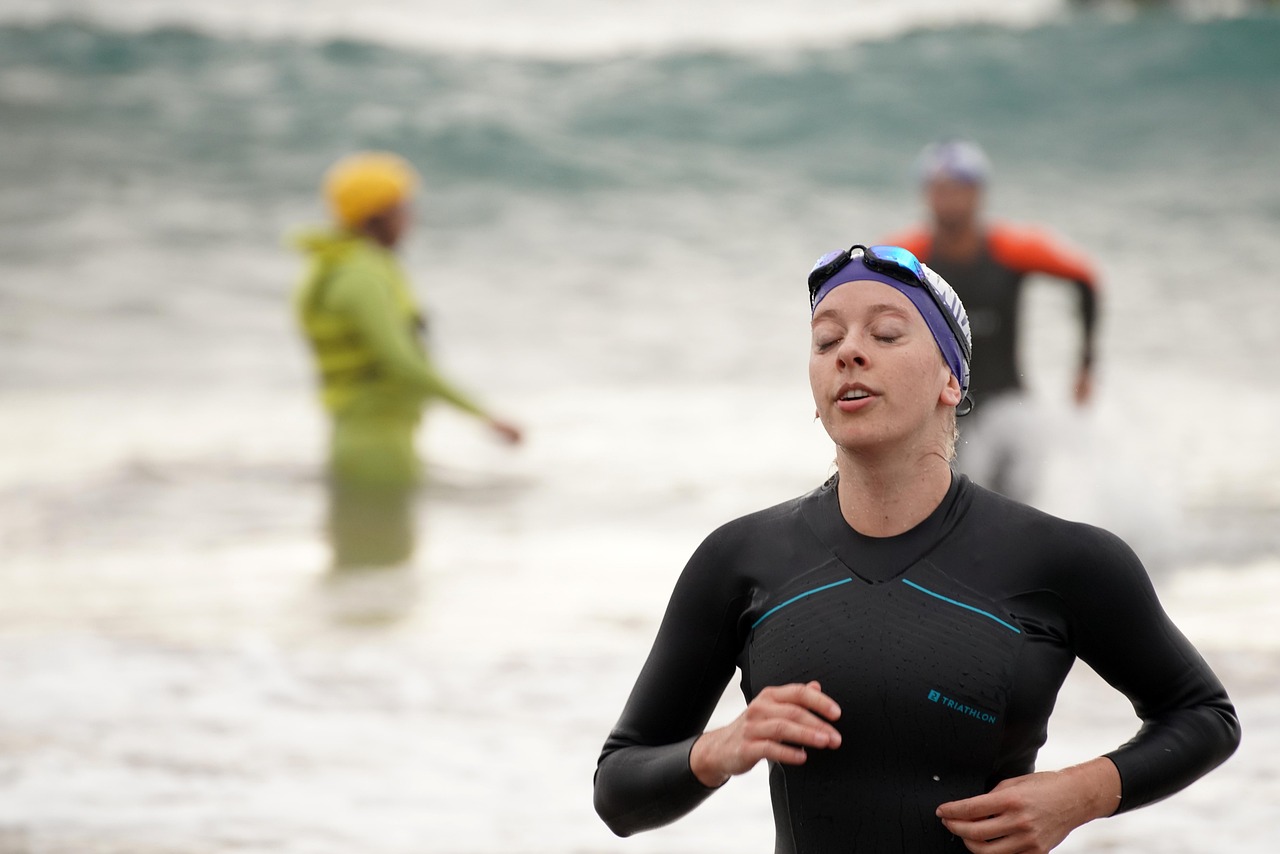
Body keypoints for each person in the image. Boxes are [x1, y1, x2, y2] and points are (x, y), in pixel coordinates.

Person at [593, 244, 1238, 852]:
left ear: (950, 381)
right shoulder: (740, 561)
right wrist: (719, 749)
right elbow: (618, 790)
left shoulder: (1062, 559)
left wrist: (1080, 794)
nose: (849, 352)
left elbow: (1203, 715)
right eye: (826, 341)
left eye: (885, 334)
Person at [292, 151, 521, 571]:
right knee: (383, 566)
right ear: (376, 215)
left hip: (367, 433)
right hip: (377, 443)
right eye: (402, 207)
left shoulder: (345, 265)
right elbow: (401, 360)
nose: (411, 218)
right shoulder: (361, 276)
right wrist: (484, 414)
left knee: (365, 569)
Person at [882, 139, 1099, 503]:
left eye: (958, 189)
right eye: (939, 189)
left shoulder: (1010, 251)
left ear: (978, 193)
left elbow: (1084, 279)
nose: (948, 199)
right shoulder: (909, 257)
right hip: (943, 404)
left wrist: (1085, 366)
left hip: (1008, 403)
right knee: (946, 503)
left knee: (1016, 501)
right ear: (926, 194)